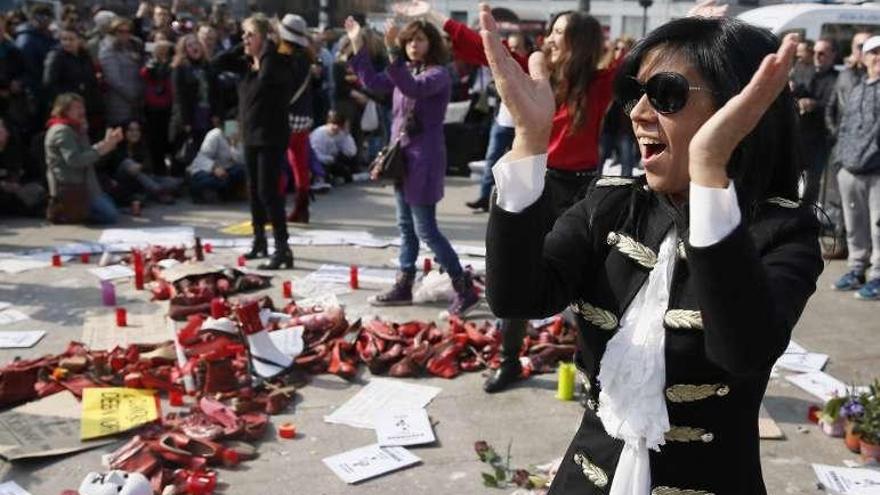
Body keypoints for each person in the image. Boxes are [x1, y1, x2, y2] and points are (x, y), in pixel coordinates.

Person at [482, 1, 822, 491]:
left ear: (739, 107)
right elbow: (517, 298)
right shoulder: (610, 204)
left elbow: (742, 351)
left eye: (665, 94)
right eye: (632, 93)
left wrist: (709, 172)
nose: (638, 113)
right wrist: (529, 141)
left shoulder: (782, 231)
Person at [417, 3, 623, 392]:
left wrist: (695, 25)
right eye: (551, 31)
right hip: (535, 181)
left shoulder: (600, 82)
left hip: (580, 191)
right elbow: (487, 52)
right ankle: (509, 360)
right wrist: (433, 16)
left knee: (588, 286)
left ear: (581, 43)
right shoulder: (535, 74)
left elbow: (644, 64)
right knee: (518, 274)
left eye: (560, 33)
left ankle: (595, 375)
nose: (550, 39)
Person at [345, 16, 479, 316]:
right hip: (401, 158)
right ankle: (404, 284)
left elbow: (413, 88)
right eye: (408, 41)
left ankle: (463, 288)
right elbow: (374, 82)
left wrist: (392, 50)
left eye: (419, 40)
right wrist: (358, 43)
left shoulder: (437, 75)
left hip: (425, 159)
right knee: (406, 227)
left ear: (431, 43)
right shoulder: (407, 69)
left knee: (426, 230)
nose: (413, 46)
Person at [214, 13, 294, 270]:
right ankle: (259, 240)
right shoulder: (246, 65)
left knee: (268, 192)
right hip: (250, 136)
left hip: (271, 136)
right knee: (253, 192)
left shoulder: (276, 62)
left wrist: (266, 43)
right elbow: (216, 62)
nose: (244, 39)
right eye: (243, 34)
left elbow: (269, 71)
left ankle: (283, 248)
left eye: (250, 35)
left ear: (264, 38)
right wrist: (245, 46)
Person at [830, 35, 880, 301]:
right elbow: (844, 125)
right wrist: (841, 160)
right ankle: (856, 270)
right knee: (854, 225)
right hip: (849, 169)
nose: (877, 57)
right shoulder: (858, 86)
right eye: (873, 52)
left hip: (876, 171)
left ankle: (878, 275)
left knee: (877, 227)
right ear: (864, 57)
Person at [824, 31, 872, 260]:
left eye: (869, 47)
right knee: (841, 202)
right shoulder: (846, 76)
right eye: (859, 46)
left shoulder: (870, 77)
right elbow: (832, 109)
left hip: (871, 159)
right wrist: (839, 138)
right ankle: (842, 245)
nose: (863, 52)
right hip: (844, 152)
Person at [44, 93, 124, 224]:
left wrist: (107, 143)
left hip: (86, 184)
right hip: (72, 186)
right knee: (111, 216)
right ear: (65, 110)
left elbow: (86, 152)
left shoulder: (75, 128)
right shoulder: (62, 130)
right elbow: (75, 160)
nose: (82, 111)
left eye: (82, 107)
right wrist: (101, 149)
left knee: (115, 206)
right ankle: (74, 215)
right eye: (77, 108)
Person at [278, 14, 316, 224]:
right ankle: (302, 208)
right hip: (304, 116)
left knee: (278, 163)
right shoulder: (306, 56)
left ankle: (277, 206)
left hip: (286, 116)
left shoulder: (285, 57)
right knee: (299, 163)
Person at [791, 38, 838, 206]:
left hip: (820, 140)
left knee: (811, 184)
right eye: (815, 53)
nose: (817, 56)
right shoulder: (804, 72)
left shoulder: (837, 79)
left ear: (833, 55)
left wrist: (814, 104)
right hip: (798, 136)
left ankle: (806, 219)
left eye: (822, 53)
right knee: (789, 181)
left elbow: (835, 108)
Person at [43, 29, 105, 142]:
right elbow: (49, 83)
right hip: (68, 106)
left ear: (79, 40)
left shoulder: (84, 55)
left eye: (71, 39)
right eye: (64, 39)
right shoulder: (56, 57)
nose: (67, 43)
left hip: (88, 104)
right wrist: (67, 100)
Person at [101, 119, 182, 205]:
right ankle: (158, 192)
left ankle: (152, 192)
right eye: (131, 130)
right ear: (125, 132)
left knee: (174, 182)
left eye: (137, 130)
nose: (134, 133)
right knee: (127, 163)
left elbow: (149, 165)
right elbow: (107, 167)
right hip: (123, 182)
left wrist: (140, 166)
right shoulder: (116, 146)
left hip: (143, 180)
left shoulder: (142, 145)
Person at [170, 33, 214, 176]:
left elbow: (216, 92)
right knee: (186, 149)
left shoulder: (207, 66)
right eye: (190, 45)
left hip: (206, 114)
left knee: (204, 149)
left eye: (196, 44)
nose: (194, 47)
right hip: (189, 116)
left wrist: (216, 114)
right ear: (184, 49)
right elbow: (179, 97)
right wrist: (185, 121)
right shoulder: (180, 68)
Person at [599, 37, 640, 177]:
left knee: (627, 163)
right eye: (617, 48)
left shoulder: (634, 71)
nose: (620, 52)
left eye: (624, 49)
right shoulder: (606, 68)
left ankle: (627, 194)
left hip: (625, 124)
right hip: (608, 123)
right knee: (599, 160)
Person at [99, 18, 144, 126]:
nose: (125, 35)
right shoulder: (107, 50)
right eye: (120, 31)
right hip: (119, 103)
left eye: (128, 31)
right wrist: (133, 96)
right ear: (113, 32)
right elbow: (114, 79)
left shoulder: (133, 47)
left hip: (137, 103)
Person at [140, 40, 174, 175]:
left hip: (170, 107)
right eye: (159, 51)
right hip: (153, 108)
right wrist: (154, 62)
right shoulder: (149, 63)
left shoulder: (173, 64)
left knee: (170, 141)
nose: (162, 54)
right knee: (156, 142)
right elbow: (144, 74)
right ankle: (159, 171)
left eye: (165, 51)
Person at [0, 117, 46, 216]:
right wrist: (3, 185)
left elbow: (33, 171)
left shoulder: (16, 152)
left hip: (18, 191)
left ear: (7, 133)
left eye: (1, 130)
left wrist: (20, 183)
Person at [187, 123, 245, 201]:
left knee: (241, 171)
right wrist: (215, 168)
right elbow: (203, 157)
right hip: (207, 170)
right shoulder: (214, 135)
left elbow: (241, 161)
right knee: (212, 181)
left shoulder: (238, 137)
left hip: (226, 170)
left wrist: (234, 145)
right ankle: (202, 191)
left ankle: (224, 193)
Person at [310, 109, 357, 184]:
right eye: (333, 124)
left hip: (333, 161)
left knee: (348, 167)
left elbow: (351, 152)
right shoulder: (319, 135)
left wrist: (346, 133)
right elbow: (316, 155)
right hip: (320, 162)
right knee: (323, 167)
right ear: (328, 123)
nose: (336, 127)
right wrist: (331, 159)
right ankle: (320, 179)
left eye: (339, 125)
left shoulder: (341, 133)